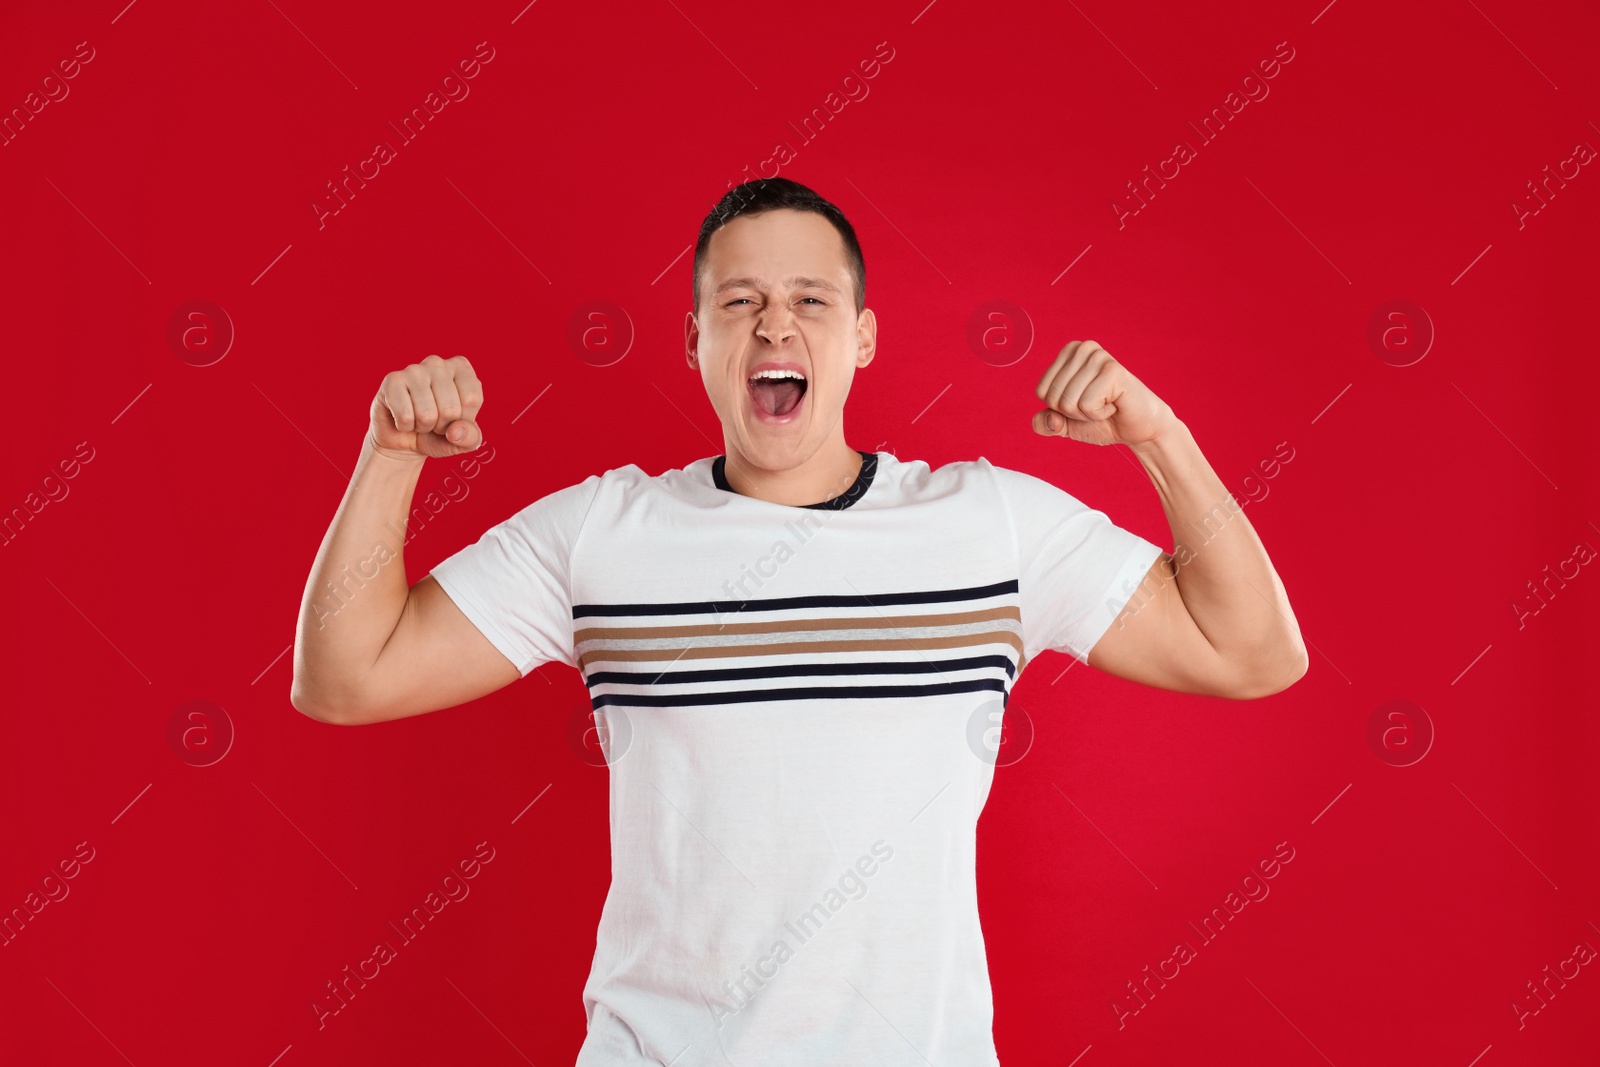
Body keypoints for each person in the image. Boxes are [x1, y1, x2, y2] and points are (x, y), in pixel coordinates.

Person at [291, 177, 1307, 1065]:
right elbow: (348, 675)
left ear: (861, 337)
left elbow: (1251, 651)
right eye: (740, 302)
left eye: (810, 300)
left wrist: (1160, 439)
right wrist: (391, 458)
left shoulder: (988, 524)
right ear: (696, 340)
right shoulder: (601, 531)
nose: (775, 326)